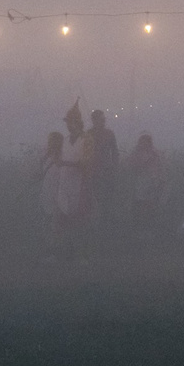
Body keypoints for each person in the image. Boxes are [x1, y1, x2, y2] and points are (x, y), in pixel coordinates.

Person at [33, 130, 86, 260]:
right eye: (51, 142)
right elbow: (41, 176)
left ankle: (59, 253)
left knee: (57, 226)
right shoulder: (46, 157)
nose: (52, 144)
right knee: (48, 226)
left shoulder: (64, 158)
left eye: (55, 142)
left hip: (59, 196)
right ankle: (56, 251)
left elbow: (76, 170)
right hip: (47, 195)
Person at [83, 109, 120, 229]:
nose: (103, 121)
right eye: (100, 119)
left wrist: (115, 168)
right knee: (94, 198)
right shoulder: (89, 134)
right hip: (93, 171)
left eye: (103, 119)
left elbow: (115, 152)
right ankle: (95, 225)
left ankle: (108, 223)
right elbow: (85, 154)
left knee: (108, 198)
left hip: (107, 171)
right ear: (94, 120)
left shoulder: (109, 134)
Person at [125, 133, 163, 235]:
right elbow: (130, 165)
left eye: (146, 141)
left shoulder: (155, 154)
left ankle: (148, 229)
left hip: (151, 184)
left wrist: (157, 182)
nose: (144, 144)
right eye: (142, 141)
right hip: (139, 183)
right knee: (138, 206)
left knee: (149, 206)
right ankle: (137, 229)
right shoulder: (136, 153)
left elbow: (159, 169)